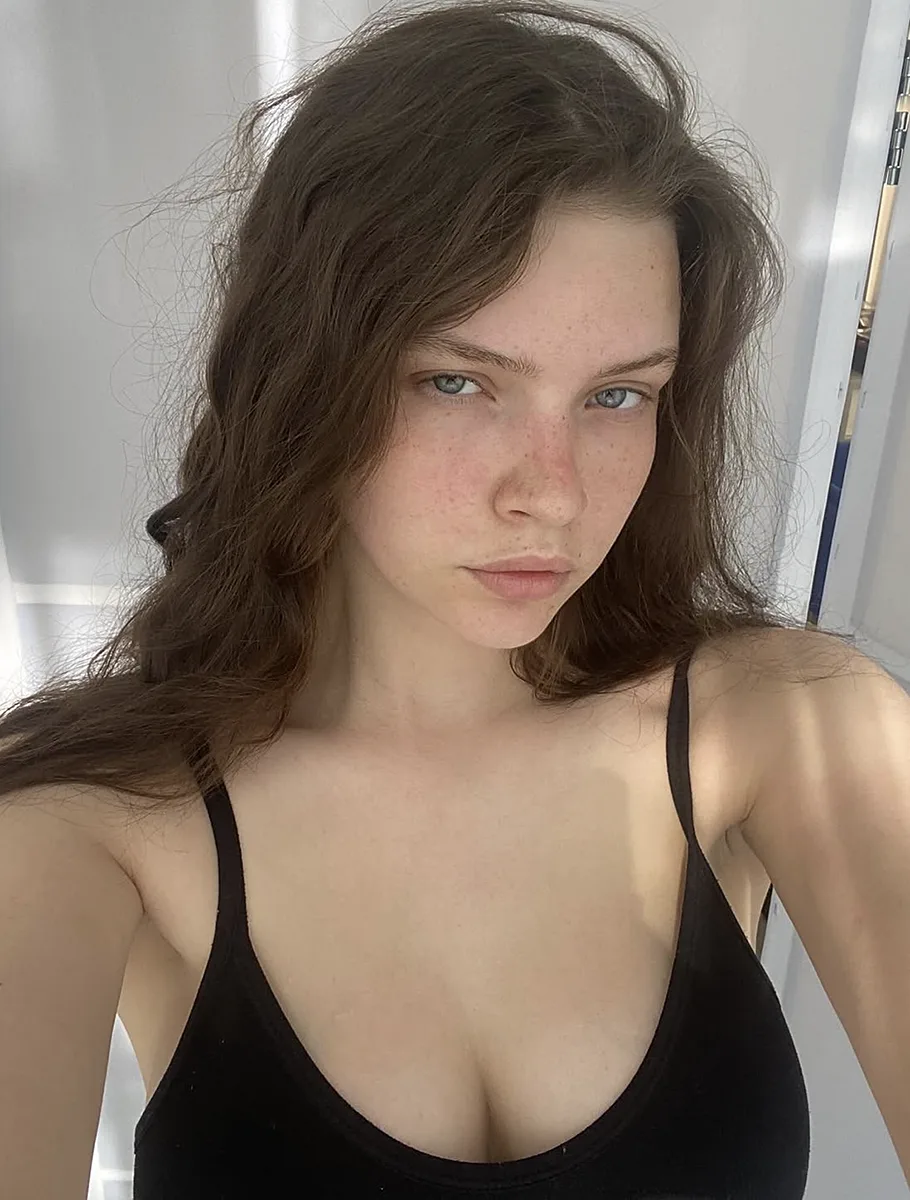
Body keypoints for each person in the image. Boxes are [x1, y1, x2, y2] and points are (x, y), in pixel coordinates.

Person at [1, 2, 908, 1198]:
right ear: (303, 376)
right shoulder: (88, 825)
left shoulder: (788, 724)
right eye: (457, 381)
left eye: (617, 396)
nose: (552, 494)